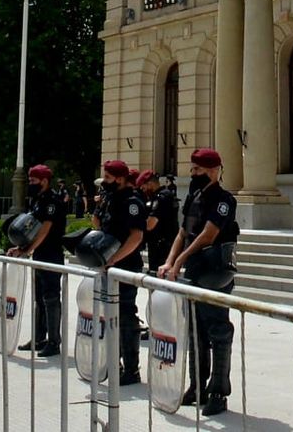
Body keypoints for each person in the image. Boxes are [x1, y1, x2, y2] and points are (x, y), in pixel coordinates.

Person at [158, 147, 239, 416]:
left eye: (198, 170)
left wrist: (179, 261)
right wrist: (171, 260)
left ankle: (218, 391)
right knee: (195, 329)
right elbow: (183, 232)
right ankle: (198, 386)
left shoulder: (224, 200)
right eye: (192, 170)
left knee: (218, 330)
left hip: (214, 271)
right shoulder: (193, 196)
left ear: (214, 171)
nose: (193, 174)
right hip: (194, 270)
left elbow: (208, 234)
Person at [92, 159, 146, 386]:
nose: (105, 181)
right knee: (110, 315)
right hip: (108, 266)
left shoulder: (132, 202)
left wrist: (114, 259)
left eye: (109, 177)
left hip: (124, 266)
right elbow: (98, 224)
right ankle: (115, 363)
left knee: (125, 315)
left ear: (121, 179)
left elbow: (136, 237)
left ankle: (131, 369)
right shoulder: (109, 199)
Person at [9, 163, 66, 356]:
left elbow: (45, 229)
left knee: (50, 298)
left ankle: (53, 341)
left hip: (51, 254)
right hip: (40, 253)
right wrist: (22, 248)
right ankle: (39, 338)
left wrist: (27, 250)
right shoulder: (38, 200)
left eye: (33, 180)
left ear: (44, 181)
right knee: (39, 299)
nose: (30, 183)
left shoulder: (52, 201)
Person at [139, 169, 178, 275]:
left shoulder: (161, 198)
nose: (143, 190)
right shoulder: (159, 196)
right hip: (159, 245)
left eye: (144, 187)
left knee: (159, 280)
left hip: (162, 247)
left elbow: (150, 224)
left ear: (150, 184)